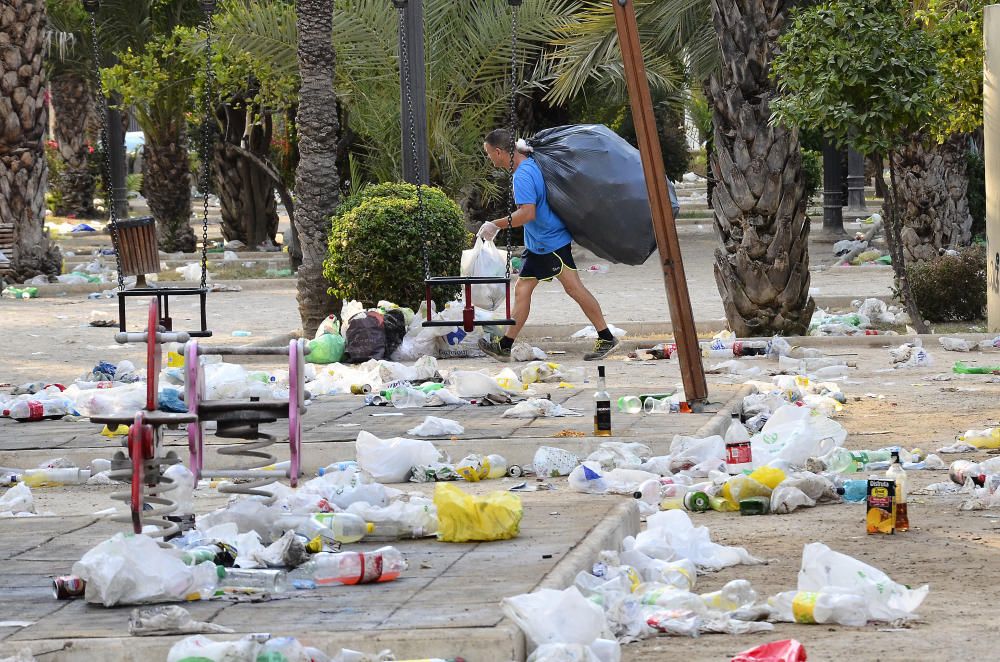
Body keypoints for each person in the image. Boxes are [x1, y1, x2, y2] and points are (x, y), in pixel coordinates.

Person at [476, 128, 619, 362]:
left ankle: (605, 336)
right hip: (543, 242)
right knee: (526, 289)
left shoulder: (522, 175)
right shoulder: (530, 163)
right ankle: (505, 345)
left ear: (500, 152)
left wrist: (496, 224)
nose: (489, 158)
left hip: (548, 243)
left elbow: (527, 214)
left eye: (489, 153)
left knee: (571, 288)